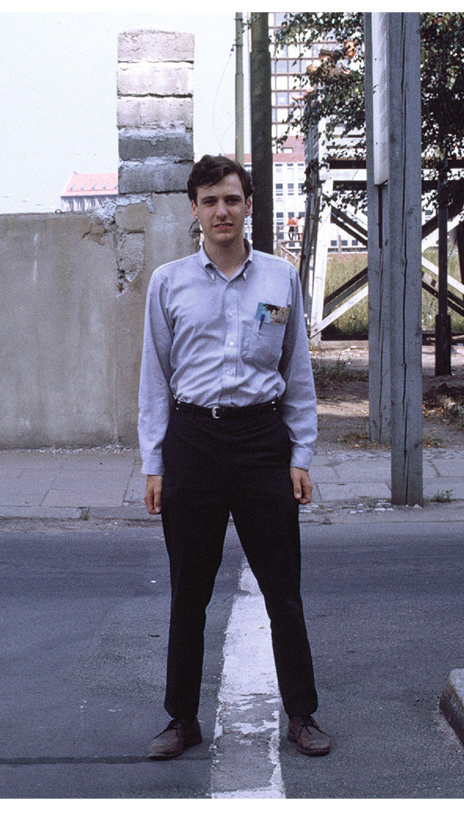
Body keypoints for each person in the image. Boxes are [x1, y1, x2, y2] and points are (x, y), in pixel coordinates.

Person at [138, 155, 329, 760]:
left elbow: (296, 373)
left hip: (261, 445)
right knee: (188, 591)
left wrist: (300, 454)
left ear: (249, 206)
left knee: (283, 588)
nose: (222, 211)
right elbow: (153, 379)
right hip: (193, 443)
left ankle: (301, 715)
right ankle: (180, 719)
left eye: (233, 199)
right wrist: (154, 463)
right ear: (194, 210)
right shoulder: (169, 283)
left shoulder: (281, 280)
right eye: (210, 200)